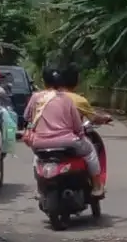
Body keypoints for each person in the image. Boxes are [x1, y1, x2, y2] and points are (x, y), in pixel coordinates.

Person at [23, 65, 105, 196]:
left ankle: (40, 188)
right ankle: (96, 186)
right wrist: (80, 135)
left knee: (37, 158)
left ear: (44, 82)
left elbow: (26, 117)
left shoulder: (35, 98)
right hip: (67, 142)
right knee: (90, 152)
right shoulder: (67, 99)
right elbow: (78, 127)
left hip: (39, 144)